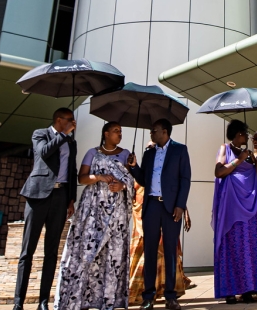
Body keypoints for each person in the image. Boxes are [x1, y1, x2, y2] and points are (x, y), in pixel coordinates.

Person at [56, 122, 134, 310]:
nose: (119, 134)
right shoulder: (93, 152)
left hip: (116, 211)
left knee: (112, 253)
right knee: (87, 252)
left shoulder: (125, 155)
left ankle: (109, 300)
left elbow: (130, 180)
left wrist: (122, 186)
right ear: (106, 133)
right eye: (116, 131)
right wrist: (98, 177)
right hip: (92, 210)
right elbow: (82, 178)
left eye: (121, 132)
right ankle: (80, 298)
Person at [15, 108, 77, 310]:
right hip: (38, 195)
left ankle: (43, 302)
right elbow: (44, 152)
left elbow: (72, 169)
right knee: (28, 251)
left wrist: (71, 199)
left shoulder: (71, 142)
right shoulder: (40, 133)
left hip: (60, 197)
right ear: (59, 120)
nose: (73, 123)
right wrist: (62, 134)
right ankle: (19, 302)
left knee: (51, 252)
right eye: (69, 120)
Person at [128, 119, 190, 310]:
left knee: (171, 252)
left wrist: (181, 205)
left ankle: (171, 297)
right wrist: (133, 166)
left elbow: (185, 179)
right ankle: (148, 297)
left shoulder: (180, 150)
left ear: (164, 132)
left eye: (153, 131)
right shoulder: (149, 153)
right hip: (152, 207)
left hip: (171, 208)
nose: (151, 134)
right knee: (150, 251)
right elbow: (143, 179)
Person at [212, 120, 257, 304]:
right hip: (231, 209)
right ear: (237, 134)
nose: (247, 137)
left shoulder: (250, 155)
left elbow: (255, 177)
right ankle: (230, 291)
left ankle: (247, 289)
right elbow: (218, 172)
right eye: (244, 134)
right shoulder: (225, 148)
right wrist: (239, 160)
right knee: (231, 247)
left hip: (249, 208)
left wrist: (254, 159)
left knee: (248, 247)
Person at [126, 181, 192, 306]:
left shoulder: (171, 165)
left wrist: (184, 208)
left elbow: (175, 187)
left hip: (168, 208)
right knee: (147, 250)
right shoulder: (144, 166)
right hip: (144, 205)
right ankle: (144, 292)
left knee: (167, 250)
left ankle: (167, 292)